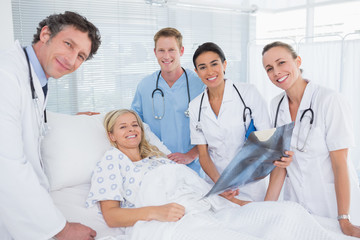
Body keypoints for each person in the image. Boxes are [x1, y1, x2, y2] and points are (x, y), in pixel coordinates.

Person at [86, 109, 351, 240]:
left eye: (135, 124)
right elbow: (111, 216)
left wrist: (235, 202)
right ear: (111, 135)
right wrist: (157, 211)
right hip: (171, 219)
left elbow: (193, 185)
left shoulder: (158, 158)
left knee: (286, 213)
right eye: (123, 127)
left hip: (210, 205)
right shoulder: (112, 160)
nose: (132, 129)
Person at [0, 11, 101, 240]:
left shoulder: (37, 78)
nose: (71, 59)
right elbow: (7, 164)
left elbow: (24, 120)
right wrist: (61, 229)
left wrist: (72, 119)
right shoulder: (5, 75)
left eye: (81, 56)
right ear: (46, 33)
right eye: (68, 44)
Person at [262, 41, 360, 237]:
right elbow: (280, 165)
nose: (276, 72)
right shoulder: (276, 105)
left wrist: (344, 218)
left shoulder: (329, 100)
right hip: (299, 205)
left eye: (282, 62)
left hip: (334, 205)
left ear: (298, 61)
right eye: (269, 68)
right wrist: (265, 211)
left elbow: (340, 164)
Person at [188, 42, 293, 202]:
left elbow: (268, 140)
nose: (210, 71)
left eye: (214, 64)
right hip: (216, 184)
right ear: (197, 72)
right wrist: (221, 184)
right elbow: (203, 154)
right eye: (202, 67)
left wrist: (281, 156)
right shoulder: (195, 106)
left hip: (250, 184)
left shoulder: (248, 93)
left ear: (224, 64)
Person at [131, 27, 204, 175]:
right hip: (156, 166)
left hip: (193, 168)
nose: (166, 56)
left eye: (171, 50)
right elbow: (135, 125)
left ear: (181, 51)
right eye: (161, 50)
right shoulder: (145, 86)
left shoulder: (200, 85)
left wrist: (191, 155)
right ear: (155, 52)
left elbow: (212, 128)